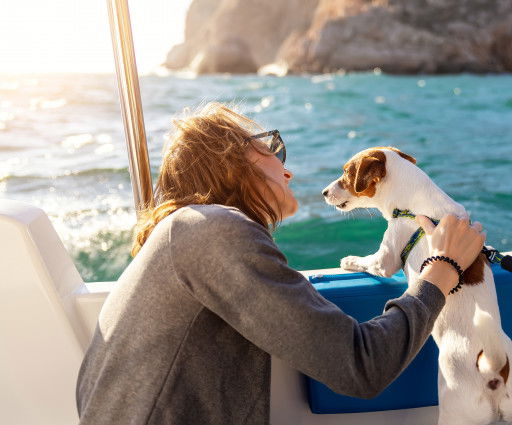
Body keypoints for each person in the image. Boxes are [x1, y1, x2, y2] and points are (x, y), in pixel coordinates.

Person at [76, 102, 485, 425]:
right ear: (233, 161)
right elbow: (362, 366)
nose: (287, 171)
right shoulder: (214, 231)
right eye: (271, 148)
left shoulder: (185, 236)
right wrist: (443, 269)